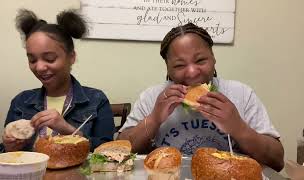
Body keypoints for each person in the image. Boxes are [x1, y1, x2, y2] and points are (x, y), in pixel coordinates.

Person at [118, 23, 284, 171]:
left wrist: (238, 127)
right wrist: (154, 118)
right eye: (180, 65)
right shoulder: (152, 96)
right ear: (168, 68)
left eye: (200, 60)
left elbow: (277, 160)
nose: (192, 72)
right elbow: (120, 152)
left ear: (213, 58)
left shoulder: (241, 94)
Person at [1, 9, 115, 152]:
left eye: (49, 59)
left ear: (71, 57)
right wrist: (8, 148)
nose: (40, 67)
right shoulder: (20, 102)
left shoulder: (96, 100)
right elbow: (7, 157)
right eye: (32, 60)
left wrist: (68, 130)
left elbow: (108, 152)